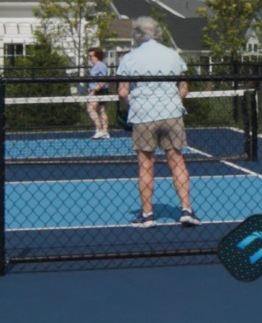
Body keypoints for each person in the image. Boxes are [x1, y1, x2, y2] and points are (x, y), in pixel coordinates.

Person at [115, 17, 197, 226]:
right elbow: (184, 86)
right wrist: (174, 101)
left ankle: (147, 215)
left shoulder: (129, 58)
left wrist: (127, 109)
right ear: (157, 32)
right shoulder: (172, 54)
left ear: (137, 34)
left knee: (145, 166)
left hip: (143, 115)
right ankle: (186, 210)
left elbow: (123, 92)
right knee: (177, 161)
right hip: (171, 113)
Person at [84, 47, 112, 139]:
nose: (89, 58)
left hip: (99, 91)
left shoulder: (101, 65)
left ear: (97, 56)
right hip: (95, 90)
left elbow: (103, 80)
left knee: (91, 109)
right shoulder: (95, 66)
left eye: (91, 56)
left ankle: (100, 130)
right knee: (101, 110)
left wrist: (94, 91)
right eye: (88, 56)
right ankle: (104, 131)